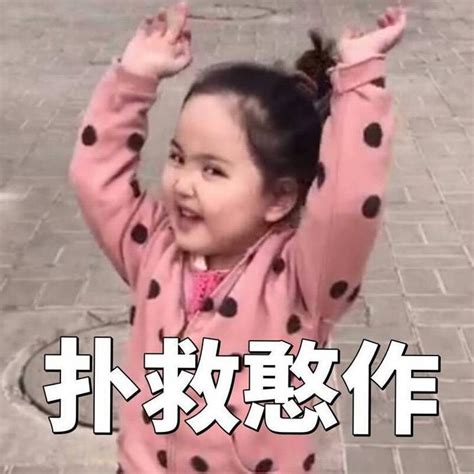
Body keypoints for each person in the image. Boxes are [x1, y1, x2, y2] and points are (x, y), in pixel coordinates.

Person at [69, 2, 407, 472]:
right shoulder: (153, 247)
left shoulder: (301, 284)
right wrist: (134, 78)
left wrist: (360, 82)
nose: (183, 183)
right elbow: (95, 178)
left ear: (279, 198)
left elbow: (347, 204)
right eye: (178, 157)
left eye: (212, 170)